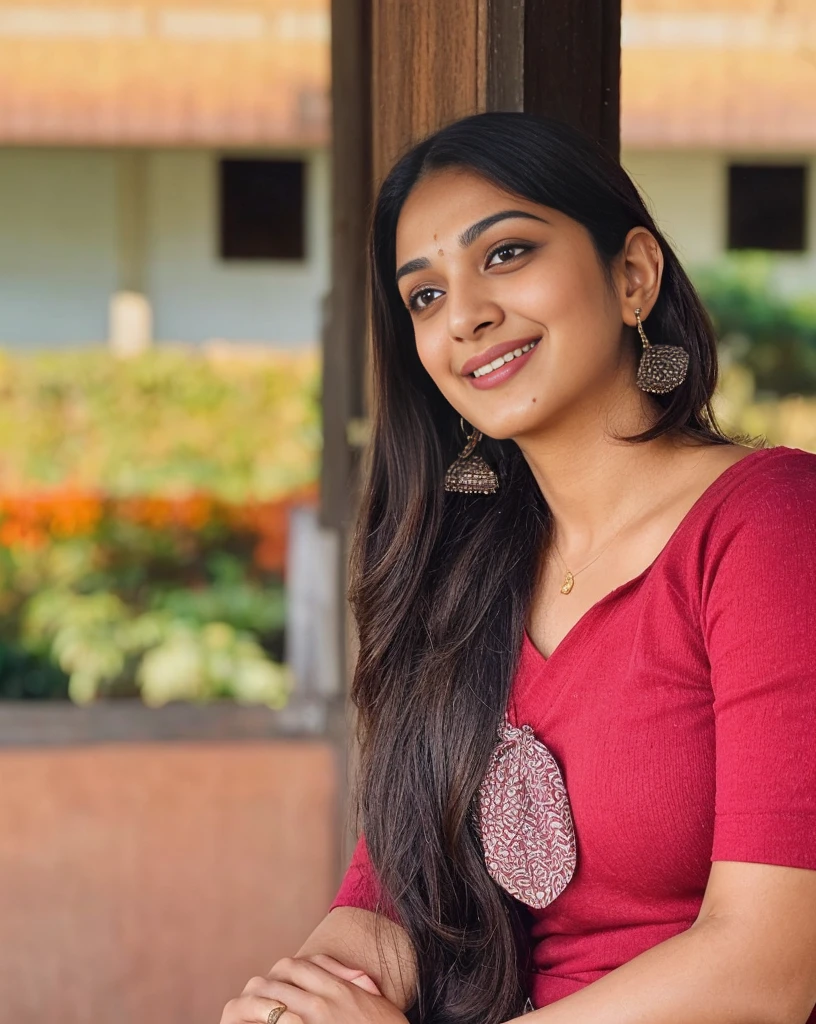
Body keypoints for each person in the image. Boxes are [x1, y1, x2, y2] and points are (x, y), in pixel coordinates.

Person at [220, 112, 816, 1024]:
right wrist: (299, 1006)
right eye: (424, 296)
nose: (465, 315)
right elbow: (389, 902)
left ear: (632, 276)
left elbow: (769, 968)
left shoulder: (767, 524)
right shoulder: (457, 575)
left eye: (504, 255)